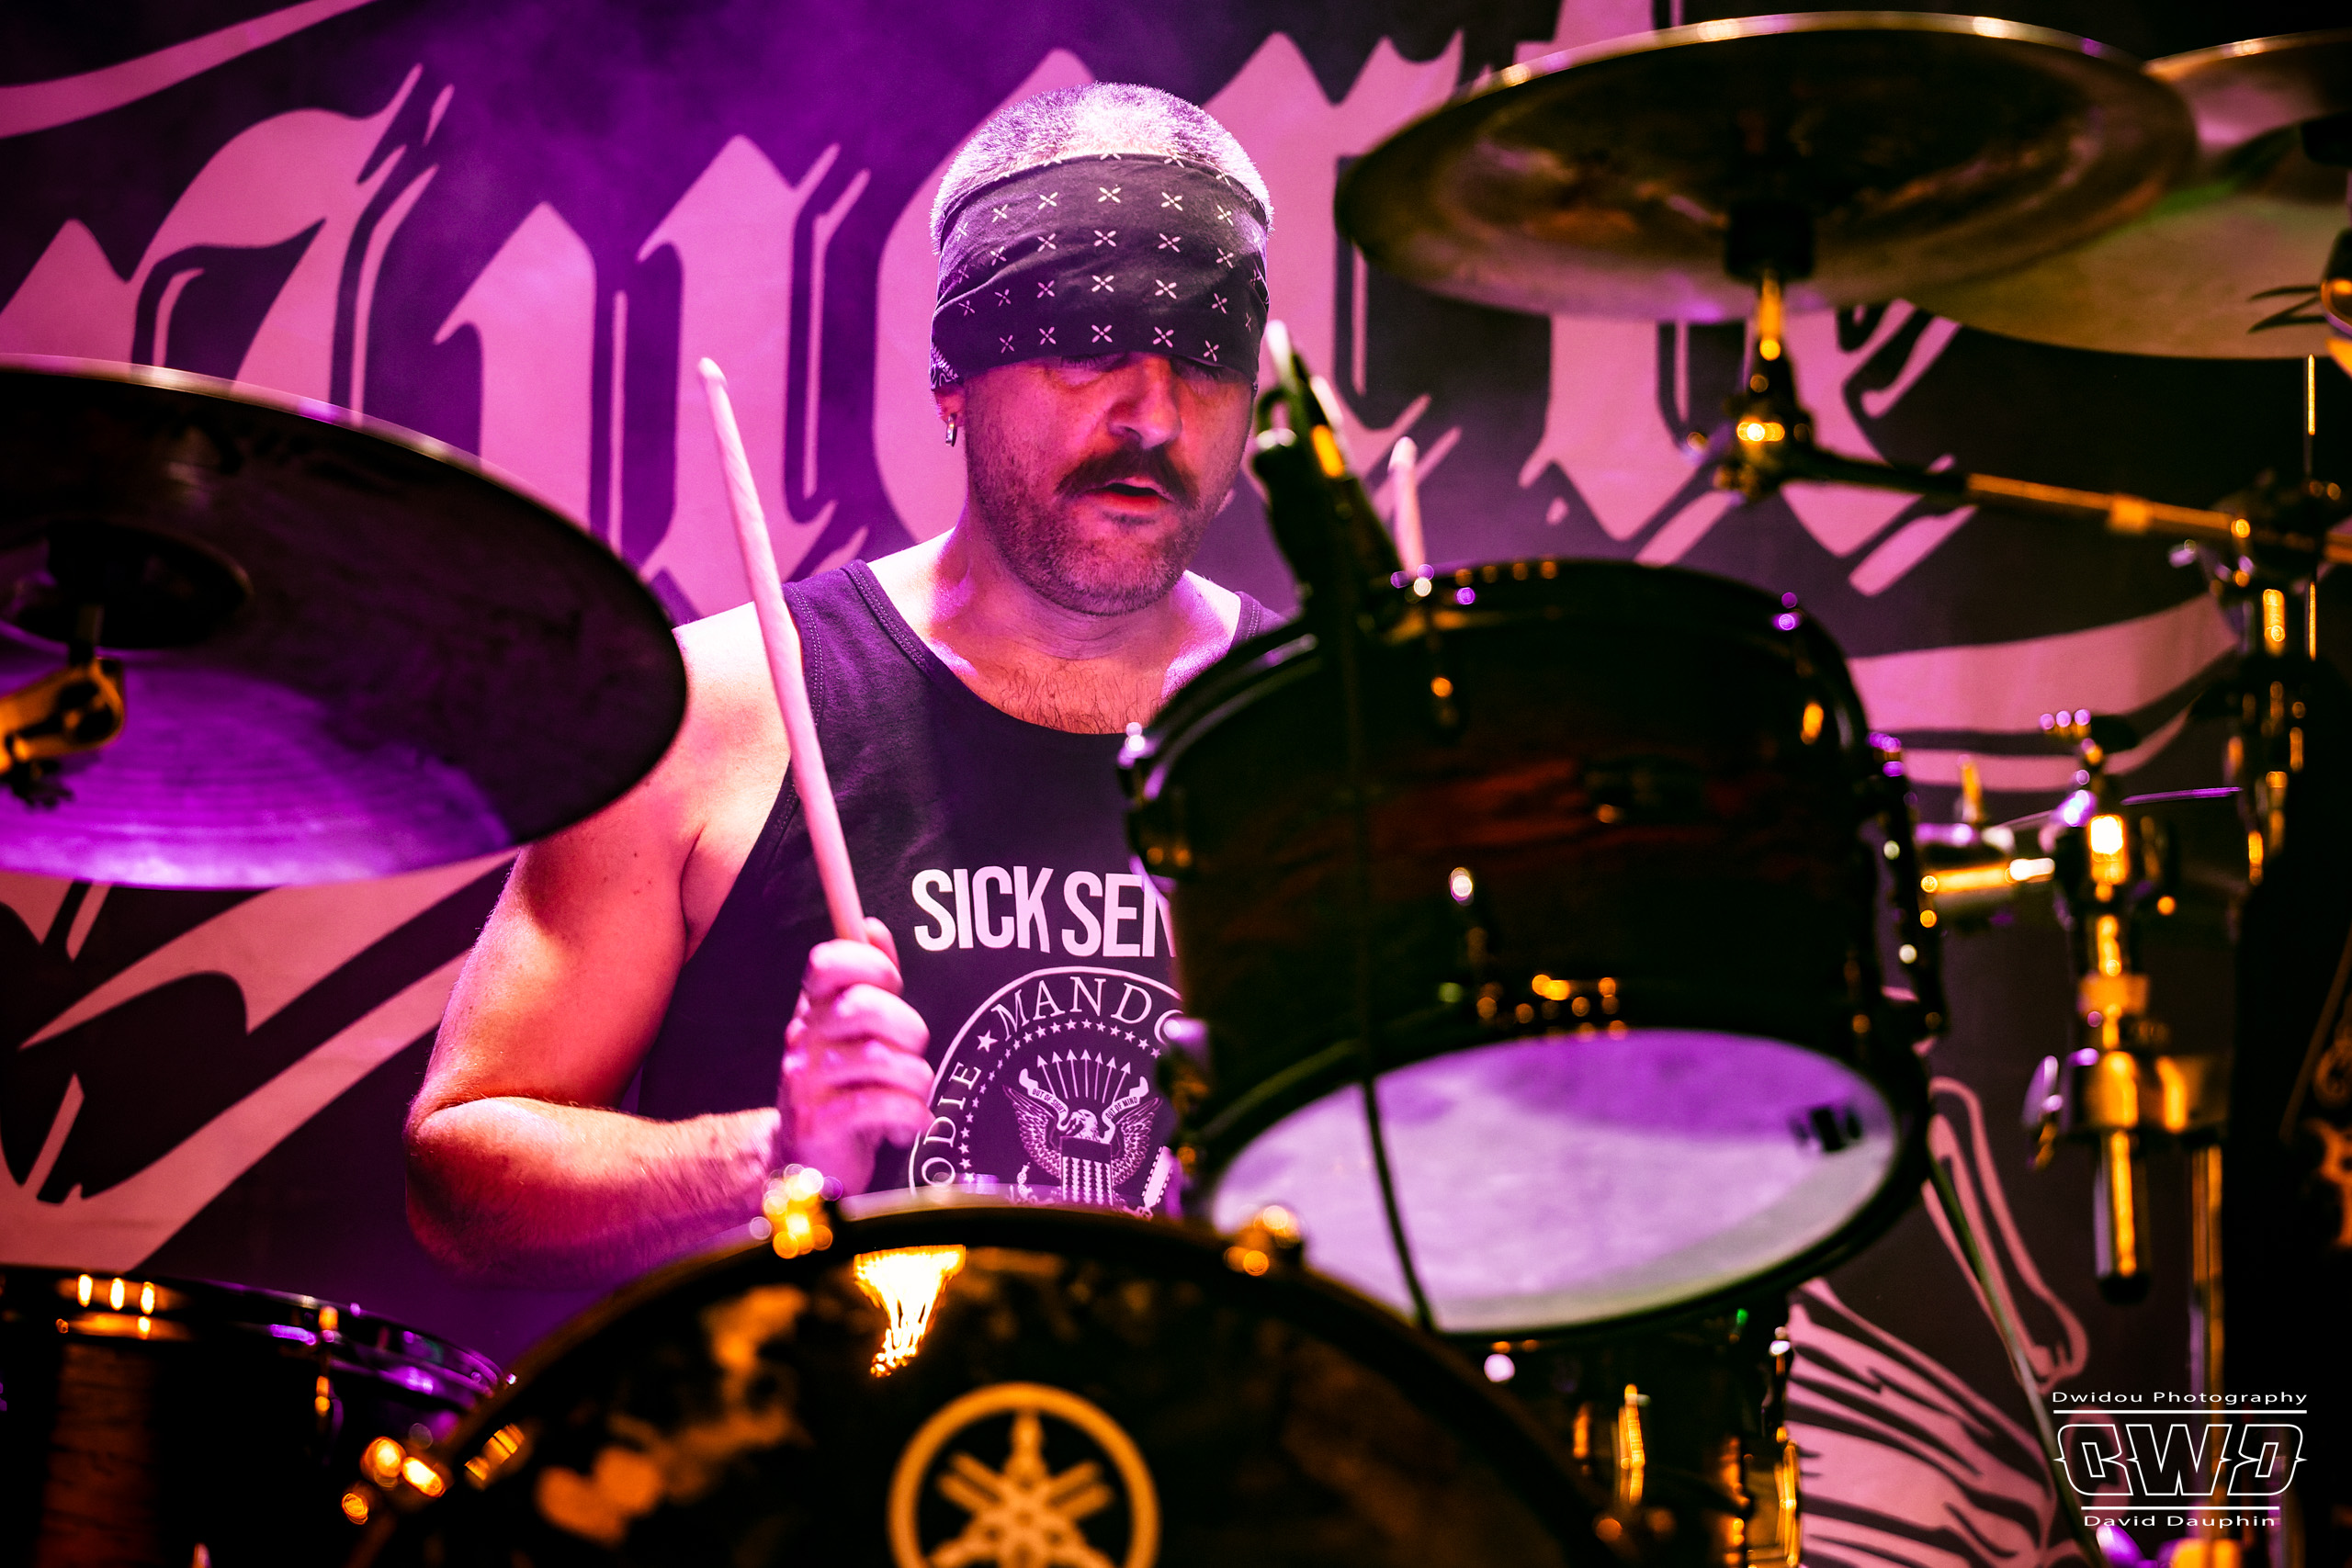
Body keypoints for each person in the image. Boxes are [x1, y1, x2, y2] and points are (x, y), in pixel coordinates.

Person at [404, 83, 1276, 1287]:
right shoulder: (720, 708)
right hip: (804, 1406)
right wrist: (776, 1159)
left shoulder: (1334, 730)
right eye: (1089, 351)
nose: (1154, 416)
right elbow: (459, 1168)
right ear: (955, 379)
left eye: (1206, 363)